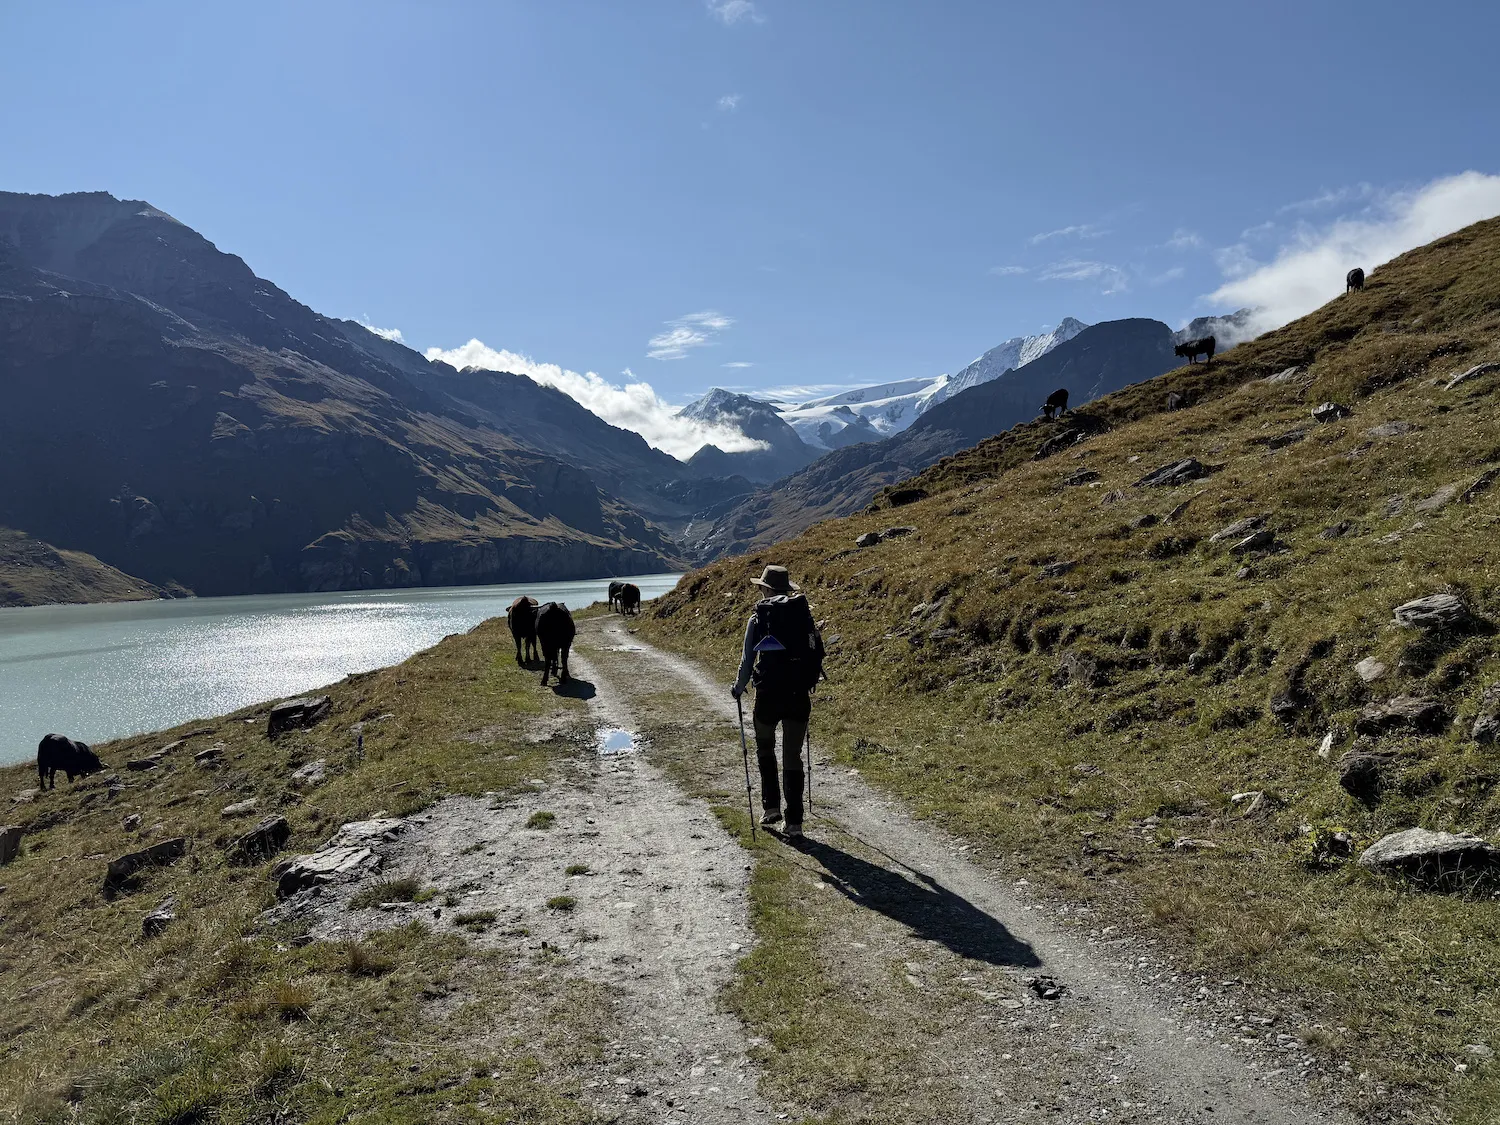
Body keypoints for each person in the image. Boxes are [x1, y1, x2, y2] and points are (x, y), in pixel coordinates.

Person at [732, 564, 823, 838]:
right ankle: (794, 820)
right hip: (798, 693)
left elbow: (748, 659)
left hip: (768, 695)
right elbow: (815, 652)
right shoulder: (803, 615)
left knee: (764, 748)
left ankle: (770, 807)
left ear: (766, 589)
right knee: (792, 755)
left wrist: (738, 687)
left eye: (761, 587)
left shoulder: (758, 619)